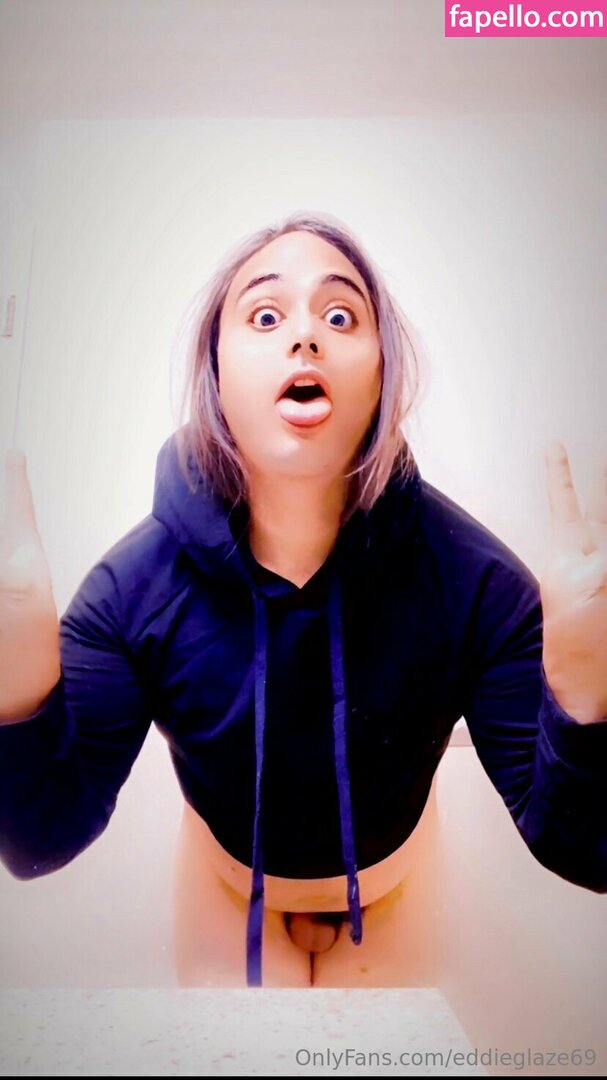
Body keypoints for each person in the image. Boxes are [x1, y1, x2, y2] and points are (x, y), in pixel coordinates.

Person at [0, 211, 606, 990]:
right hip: (227, 886)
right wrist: (16, 693)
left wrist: (585, 693)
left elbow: (584, 850)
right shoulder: (129, 594)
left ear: (382, 373)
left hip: (393, 884)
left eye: (340, 315)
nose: (304, 336)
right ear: (215, 373)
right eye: (264, 315)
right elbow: (40, 841)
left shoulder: (477, 582)